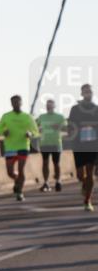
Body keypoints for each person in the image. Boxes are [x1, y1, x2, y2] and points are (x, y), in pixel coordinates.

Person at [0, 95, 39, 202]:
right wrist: (4, 132)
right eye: (13, 102)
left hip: (23, 146)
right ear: (11, 103)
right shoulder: (6, 116)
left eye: (17, 102)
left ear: (21, 103)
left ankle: (20, 192)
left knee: (21, 169)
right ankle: (17, 180)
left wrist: (30, 134)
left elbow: (36, 131)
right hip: (10, 147)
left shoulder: (27, 117)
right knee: (10, 172)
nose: (16, 104)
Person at [67, 83, 97, 212]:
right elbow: (70, 125)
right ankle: (85, 184)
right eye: (85, 91)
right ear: (82, 94)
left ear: (92, 93)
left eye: (89, 91)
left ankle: (87, 201)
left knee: (90, 173)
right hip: (79, 145)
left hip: (93, 145)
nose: (88, 93)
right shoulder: (75, 109)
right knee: (80, 175)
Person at [35, 99, 67, 192]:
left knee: (56, 163)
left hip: (56, 143)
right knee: (45, 163)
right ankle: (46, 182)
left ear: (54, 106)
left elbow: (66, 128)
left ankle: (58, 181)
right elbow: (34, 127)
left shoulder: (60, 117)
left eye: (50, 105)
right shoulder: (41, 117)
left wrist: (59, 127)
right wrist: (37, 130)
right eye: (47, 105)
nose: (48, 107)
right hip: (44, 143)